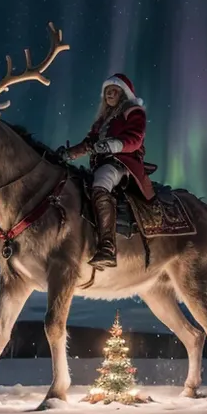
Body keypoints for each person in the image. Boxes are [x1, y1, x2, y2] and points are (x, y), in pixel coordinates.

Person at [58, 73, 154, 269]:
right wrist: (68, 154)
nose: (109, 94)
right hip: (100, 163)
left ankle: (107, 248)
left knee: (100, 186)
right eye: (107, 91)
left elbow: (135, 138)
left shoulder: (133, 111)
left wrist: (114, 145)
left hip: (120, 163)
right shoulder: (102, 121)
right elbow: (89, 144)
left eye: (114, 91)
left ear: (123, 94)